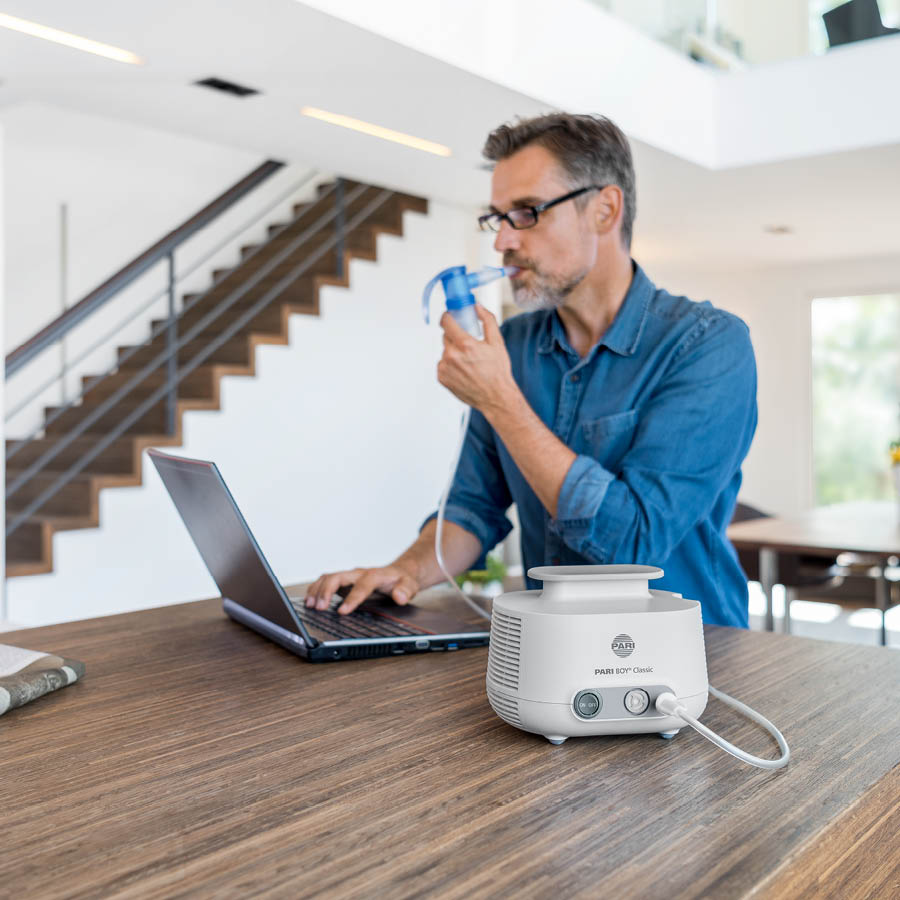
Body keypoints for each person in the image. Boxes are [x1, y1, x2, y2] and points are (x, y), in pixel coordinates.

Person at [306, 112, 757, 627]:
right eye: (497, 217)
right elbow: (473, 508)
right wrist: (402, 571)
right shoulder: (514, 346)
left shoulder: (708, 344)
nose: (503, 241)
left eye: (526, 212)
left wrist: (500, 399)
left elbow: (635, 544)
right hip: (551, 650)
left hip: (692, 659)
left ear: (605, 210)